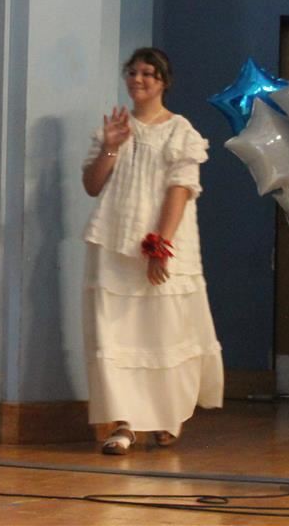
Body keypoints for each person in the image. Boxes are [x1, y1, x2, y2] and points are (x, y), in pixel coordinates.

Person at [80, 48, 224, 455]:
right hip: (114, 241)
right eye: (133, 72)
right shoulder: (116, 128)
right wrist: (110, 146)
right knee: (118, 333)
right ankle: (125, 422)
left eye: (149, 73)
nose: (139, 79)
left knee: (165, 329)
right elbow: (92, 185)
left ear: (163, 81)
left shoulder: (181, 131)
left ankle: (166, 416)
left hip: (163, 244)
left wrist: (162, 243)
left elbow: (180, 188)